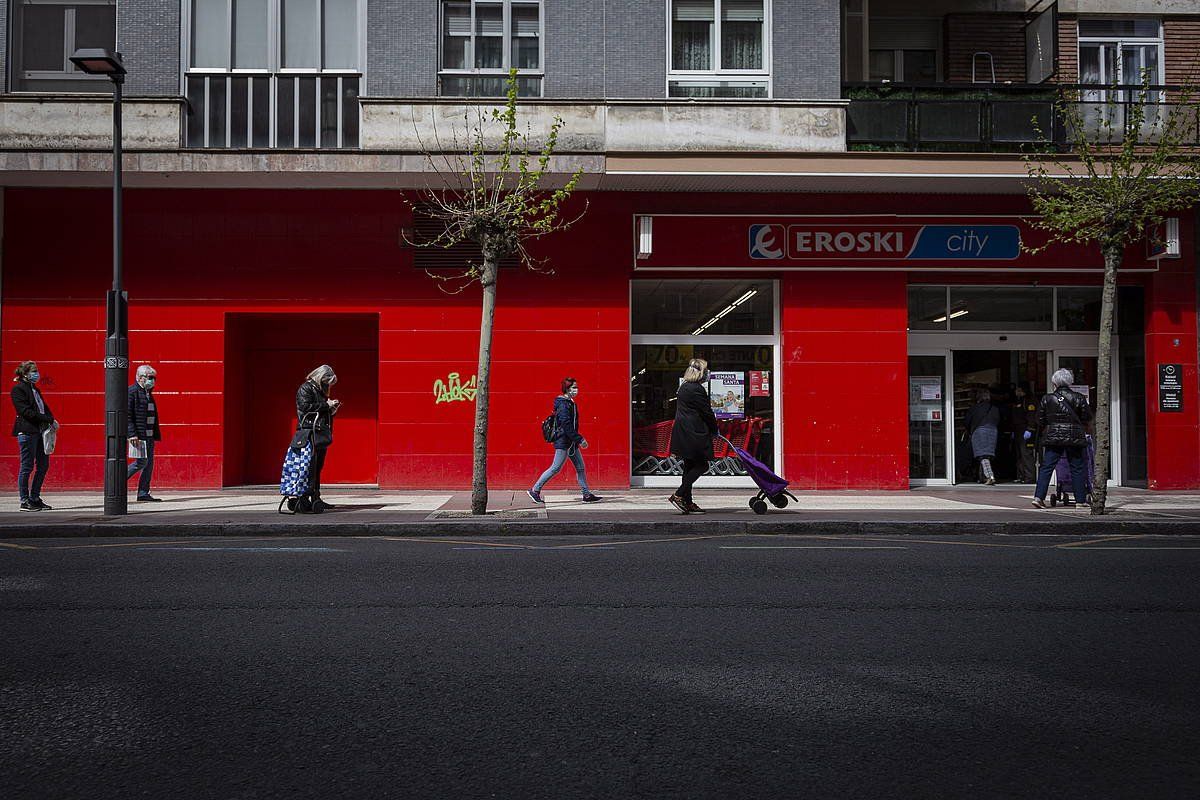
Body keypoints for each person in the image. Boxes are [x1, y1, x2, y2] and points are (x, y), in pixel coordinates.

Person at [528, 377, 601, 504]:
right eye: (574, 387)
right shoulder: (563, 404)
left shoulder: (570, 402)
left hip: (571, 442)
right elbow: (566, 425)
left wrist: (575, 440)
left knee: (580, 468)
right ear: (567, 389)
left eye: (576, 387)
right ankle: (535, 490)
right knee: (555, 468)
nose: (576, 390)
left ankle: (586, 494)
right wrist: (579, 439)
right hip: (564, 441)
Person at [1033, 368, 1093, 509]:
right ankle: (1080, 500)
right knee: (1077, 467)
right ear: (1070, 382)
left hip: (1054, 436)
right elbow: (1087, 417)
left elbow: (1040, 420)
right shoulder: (1079, 397)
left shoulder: (1047, 399)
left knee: (1047, 467)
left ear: (1055, 382)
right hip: (1074, 437)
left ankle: (1038, 497)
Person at [669, 358, 719, 514]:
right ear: (700, 373)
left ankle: (688, 501)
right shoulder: (697, 389)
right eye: (706, 370)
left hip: (684, 431)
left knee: (689, 466)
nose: (708, 374)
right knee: (702, 465)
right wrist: (714, 429)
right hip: (694, 432)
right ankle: (679, 494)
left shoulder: (684, 387)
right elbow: (706, 412)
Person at [11, 360, 56, 511]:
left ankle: (35, 497)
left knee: (43, 465)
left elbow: (43, 408)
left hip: (40, 432)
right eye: (34, 371)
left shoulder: (34, 389)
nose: (36, 374)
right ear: (25, 374)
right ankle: (24, 501)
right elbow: (26, 412)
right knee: (27, 466)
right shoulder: (19, 390)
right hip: (27, 432)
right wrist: (48, 419)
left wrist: (52, 420)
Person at [295, 365, 340, 513]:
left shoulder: (319, 390)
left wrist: (331, 409)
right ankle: (304, 497)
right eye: (327, 381)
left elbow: (319, 411)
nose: (327, 385)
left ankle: (315, 497)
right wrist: (325, 404)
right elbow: (305, 406)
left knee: (317, 467)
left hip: (320, 433)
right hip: (309, 433)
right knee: (309, 466)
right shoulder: (306, 388)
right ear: (321, 377)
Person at [127, 364, 162, 502]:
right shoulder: (132, 392)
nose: (152, 381)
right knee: (141, 462)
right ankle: (116, 481)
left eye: (154, 378)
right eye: (150, 377)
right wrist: (132, 434)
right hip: (139, 436)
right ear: (140, 378)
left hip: (149, 436)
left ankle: (143, 493)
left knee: (149, 464)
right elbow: (127, 415)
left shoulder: (148, 394)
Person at [964, 388, 1000, 485]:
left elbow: (967, 421)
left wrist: (969, 430)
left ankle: (989, 476)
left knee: (982, 455)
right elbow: (998, 420)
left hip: (979, 432)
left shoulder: (974, 408)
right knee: (987, 455)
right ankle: (982, 477)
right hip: (993, 431)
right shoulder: (995, 408)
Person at [1010, 382, 1038, 483]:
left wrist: (1030, 429)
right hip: (1018, 431)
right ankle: (1021, 476)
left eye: (1018, 389)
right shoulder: (1019, 400)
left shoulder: (1030, 401)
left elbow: (1032, 415)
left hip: (1026, 430)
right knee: (1019, 455)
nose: (1016, 391)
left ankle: (1029, 477)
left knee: (1026, 454)